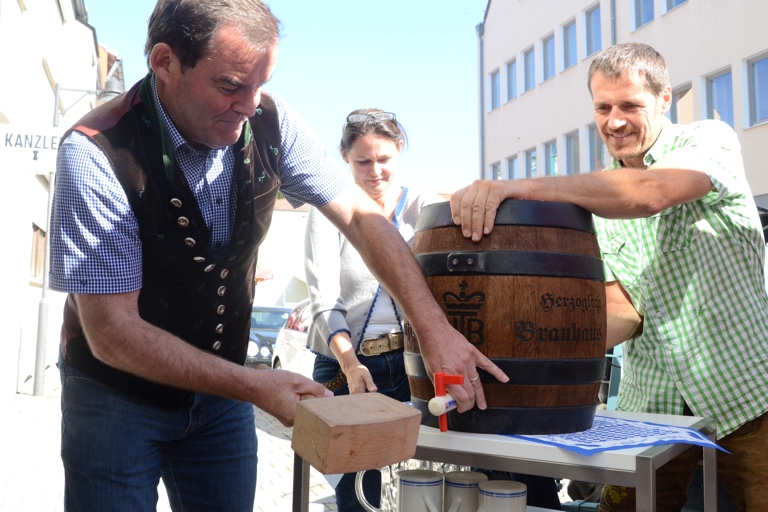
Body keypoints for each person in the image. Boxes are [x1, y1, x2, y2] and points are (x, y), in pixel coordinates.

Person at [48, 1, 507, 511]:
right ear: (165, 62)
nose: (249, 105)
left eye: (260, 84)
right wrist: (252, 384)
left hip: (222, 396)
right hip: (115, 394)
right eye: (230, 85)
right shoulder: (96, 153)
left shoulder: (271, 120)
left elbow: (361, 217)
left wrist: (434, 330)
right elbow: (112, 332)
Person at [450, 42, 768, 511]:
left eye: (630, 106)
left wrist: (520, 187)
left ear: (664, 99)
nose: (614, 122)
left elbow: (652, 192)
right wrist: (516, 362)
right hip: (652, 407)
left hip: (747, 394)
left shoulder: (708, 140)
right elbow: (624, 313)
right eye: (603, 108)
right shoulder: (596, 204)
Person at [304, 108, 444, 510]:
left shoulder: (425, 207)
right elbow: (323, 297)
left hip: (411, 363)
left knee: (421, 483)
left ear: (399, 150)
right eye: (363, 161)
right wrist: (350, 364)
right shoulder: (327, 209)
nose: (375, 171)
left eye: (384, 159)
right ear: (344, 157)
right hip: (348, 364)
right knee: (356, 493)